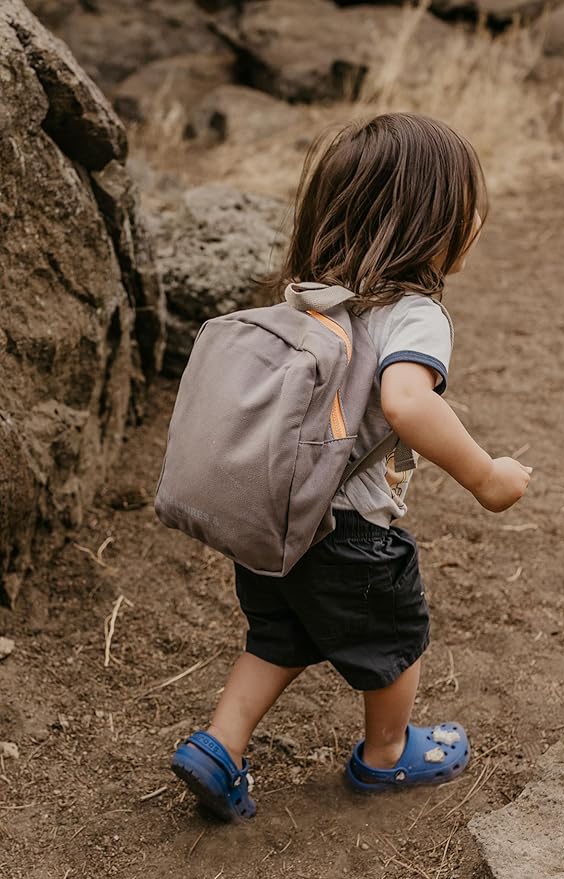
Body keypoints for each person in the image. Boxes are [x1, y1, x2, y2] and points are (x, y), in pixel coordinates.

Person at [169, 113, 532, 821]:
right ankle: (388, 754)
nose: (479, 217)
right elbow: (404, 401)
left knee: (277, 635)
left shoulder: (307, 295)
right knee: (396, 643)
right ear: (432, 223)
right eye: (468, 205)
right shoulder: (414, 313)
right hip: (352, 530)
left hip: (275, 521)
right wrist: (488, 476)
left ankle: (220, 744)